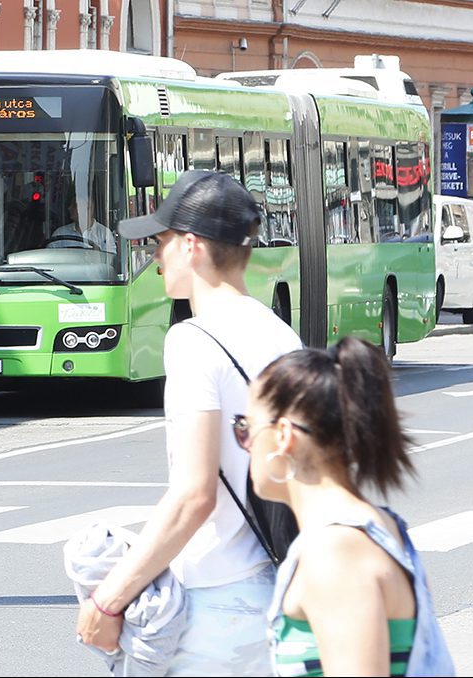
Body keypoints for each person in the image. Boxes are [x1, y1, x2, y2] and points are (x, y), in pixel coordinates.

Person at [75, 170, 303, 675]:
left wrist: (109, 599)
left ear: (192, 246)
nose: (154, 257)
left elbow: (193, 496)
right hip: (279, 593)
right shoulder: (285, 338)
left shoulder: (194, 341)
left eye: (160, 242)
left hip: (215, 603)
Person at [244, 337, 454, 676]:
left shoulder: (335, 552)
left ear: (283, 435)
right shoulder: (373, 525)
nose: (244, 445)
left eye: (246, 428)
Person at [47, 192, 117, 254]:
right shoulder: (60, 233)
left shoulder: (104, 233)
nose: (69, 208)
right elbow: (51, 259)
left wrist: (98, 254)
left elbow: (110, 262)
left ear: (88, 208)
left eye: (75, 205)